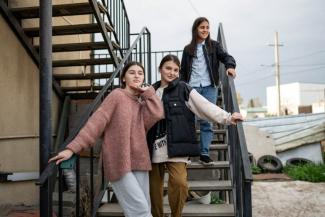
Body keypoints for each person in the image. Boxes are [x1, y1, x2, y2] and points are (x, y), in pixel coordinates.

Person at [49, 62, 164, 217]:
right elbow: (96, 123)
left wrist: (148, 93)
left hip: (139, 160)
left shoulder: (141, 104)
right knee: (140, 210)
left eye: (140, 73)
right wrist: (72, 148)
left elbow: (157, 114)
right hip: (118, 162)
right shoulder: (116, 96)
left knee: (144, 206)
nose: (137, 75)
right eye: (132, 72)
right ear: (123, 78)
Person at [147, 54, 243, 217]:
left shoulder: (183, 88)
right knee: (154, 191)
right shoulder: (151, 91)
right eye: (168, 68)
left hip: (177, 148)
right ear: (160, 69)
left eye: (175, 70)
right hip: (154, 148)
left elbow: (204, 106)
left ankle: (175, 215)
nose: (171, 72)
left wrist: (227, 117)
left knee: (180, 183)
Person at [180, 17, 237, 165]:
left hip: (209, 87)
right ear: (196, 29)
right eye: (202, 27)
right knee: (189, 121)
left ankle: (204, 153)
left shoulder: (214, 46)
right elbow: (183, 70)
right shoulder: (188, 49)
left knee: (207, 121)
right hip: (191, 88)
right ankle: (188, 152)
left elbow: (226, 57)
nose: (205, 30)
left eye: (207, 27)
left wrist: (230, 66)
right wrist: (180, 85)